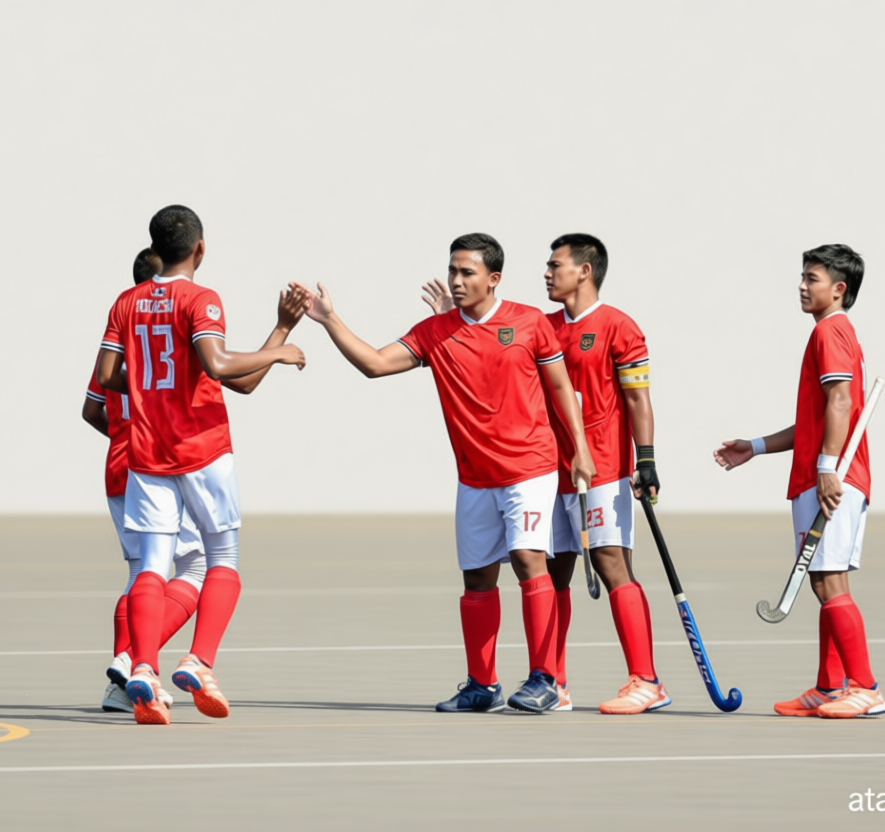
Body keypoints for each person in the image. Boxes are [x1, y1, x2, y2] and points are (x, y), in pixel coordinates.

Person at [295, 232, 594, 713]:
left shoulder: (529, 322)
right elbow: (374, 364)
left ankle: (546, 681)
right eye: (453, 271)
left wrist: (579, 449)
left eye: (467, 273)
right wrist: (330, 320)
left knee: (526, 559)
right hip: (474, 477)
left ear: (493, 279)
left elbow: (560, 387)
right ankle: (483, 686)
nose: (456, 281)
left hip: (530, 468)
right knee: (477, 579)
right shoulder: (435, 332)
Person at [422, 233, 667, 714]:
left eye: (556, 265)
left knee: (612, 564)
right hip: (544, 471)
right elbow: (488, 363)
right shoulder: (541, 324)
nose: (547, 273)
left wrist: (646, 459)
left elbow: (638, 396)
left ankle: (646, 680)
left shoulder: (620, 327)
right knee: (554, 574)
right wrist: (444, 327)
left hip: (601, 466)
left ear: (585, 270)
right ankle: (553, 683)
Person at [97, 205, 306, 725]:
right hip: (201, 448)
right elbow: (218, 364)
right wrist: (281, 351)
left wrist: (149, 386)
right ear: (200, 249)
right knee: (222, 557)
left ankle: (143, 669)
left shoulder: (126, 302)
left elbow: (107, 374)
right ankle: (199, 660)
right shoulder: (201, 298)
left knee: (150, 564)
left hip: (146, 454)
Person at [713, 243, 885, 718]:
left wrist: (828, 469)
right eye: (803, 276)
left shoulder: (831, 333)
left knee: (830, 582)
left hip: (832, 479)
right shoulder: (833, 333)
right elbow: (814, 418)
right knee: (824, 583)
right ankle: (830, 687)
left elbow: (840, 404)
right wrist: (757, 446)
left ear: (838, 289)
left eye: (812, 278)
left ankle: (866, 688)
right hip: (826, 475)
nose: (802, 286)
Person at [83, 248, 203, 714]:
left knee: (140, 574)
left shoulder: (116, 334)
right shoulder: (170, 329)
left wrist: (123, 434)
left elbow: (92, 408)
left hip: (120, 466)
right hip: (165, 465)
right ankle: (134, 658)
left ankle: (119, 687)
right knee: (195, 569)